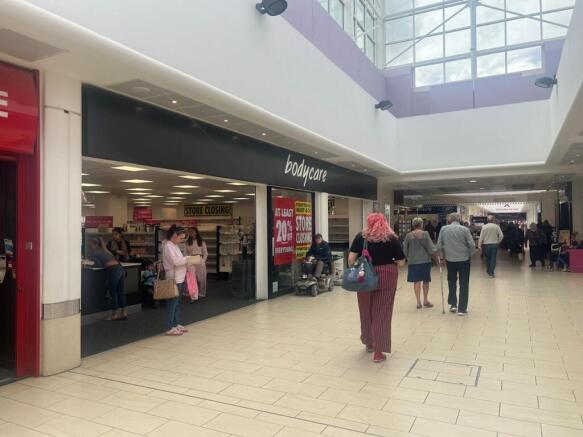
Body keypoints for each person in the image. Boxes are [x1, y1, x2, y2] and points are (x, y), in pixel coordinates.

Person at [348, 213, 405, 363]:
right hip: (387, 276)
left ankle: (369, 343)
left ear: (368, 222)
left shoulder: (361, 237)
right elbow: (401, 262)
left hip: (364, 276)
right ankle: (378, 353)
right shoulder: (391, 238)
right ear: (384, 222)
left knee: (365, 310)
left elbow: (351, 260)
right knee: (382, 313)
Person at [437, 212, 476, 316]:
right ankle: (462, 309)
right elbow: (472, 245)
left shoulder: (443, 229)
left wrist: (442, 258)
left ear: (449, 220)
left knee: (451, 281)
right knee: (464, 283)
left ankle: (453, 304)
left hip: (450, 260)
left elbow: (439, 245)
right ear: (459, 219)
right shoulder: (465, 229)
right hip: (464, 260)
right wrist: (469, 255)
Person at [162, 225, 198, 336]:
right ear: (174, 235)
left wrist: (188, 259)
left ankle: (176, 324)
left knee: (177, 303)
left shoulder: (174, 245)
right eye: (180, 238)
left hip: (179, 278)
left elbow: (180, 260)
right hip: (174, 279)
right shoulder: (168, 246)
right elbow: (176, 262)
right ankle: (170, 327)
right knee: (172, 304)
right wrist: (188, 258)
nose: (181, 240)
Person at [87, 237, 127, 321]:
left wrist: (89, 265)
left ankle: (114, 314)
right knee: (120, 291)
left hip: (113, 270)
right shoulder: (105, 251)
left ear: (95, 245)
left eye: (90, 245)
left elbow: (99, 265)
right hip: (120, 268)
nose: (89, 247)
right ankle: (124, 312)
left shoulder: (94, 253)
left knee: (113, 292)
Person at [403, 217, 436, 309]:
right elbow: (431, 248)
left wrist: (408, 257)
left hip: (413, 262)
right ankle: (425, 300)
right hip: (425, 261)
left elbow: (405, 250)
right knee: (426, 281)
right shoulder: (425, 234)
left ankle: (418, 302)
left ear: (413, 225)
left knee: (416, 281)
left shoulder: (408, 236)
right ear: (421, 224)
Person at [185, 227, 208, 301]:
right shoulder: (187, 242)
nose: (190, 233)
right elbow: (185, 253)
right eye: (189, 231)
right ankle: (193, 293)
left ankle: (202, 293)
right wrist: (186, 261)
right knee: (191, 277)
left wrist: (203, 260)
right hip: (190, 259)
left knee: (201, 277)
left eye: (192, 231)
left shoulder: (202, 242)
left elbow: (205, 253)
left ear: (196, 232)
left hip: (199, 258)